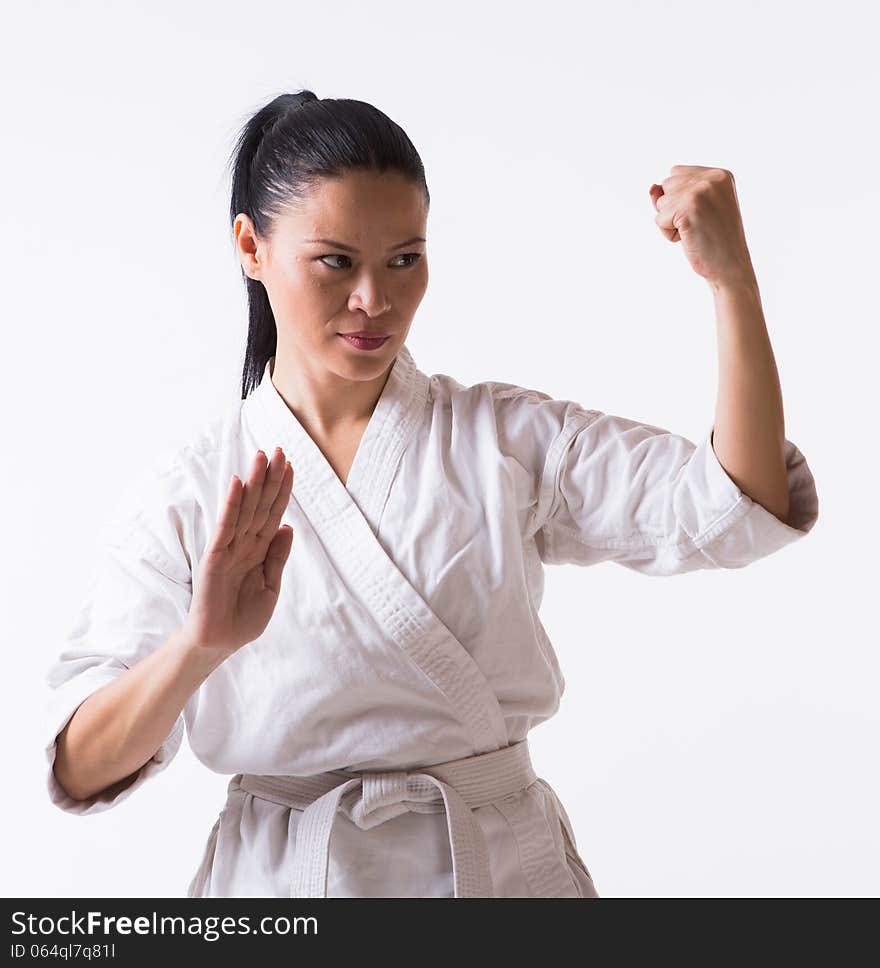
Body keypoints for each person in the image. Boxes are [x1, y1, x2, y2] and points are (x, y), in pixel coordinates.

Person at [43, 90, 819, 898]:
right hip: (287, 887)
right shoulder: (193, 493)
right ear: (251, 246)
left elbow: (733, 506)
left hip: (495, 871)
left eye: (404, 259)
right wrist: (199, 646)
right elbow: (79, 764)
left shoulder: (504, 440)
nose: (374, 301)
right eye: (336, 262)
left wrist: (733, 283)